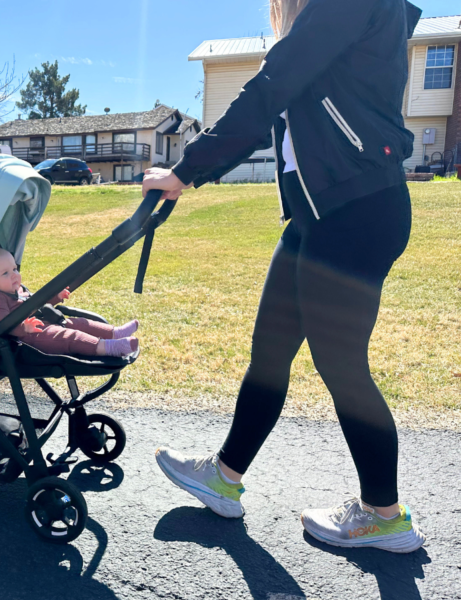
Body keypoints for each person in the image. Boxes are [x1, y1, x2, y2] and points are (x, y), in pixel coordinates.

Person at [145, 0, 425, 553]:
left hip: (355, 208)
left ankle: (384, 514)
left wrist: (187, 169)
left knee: (340, 363)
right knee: (270, 350)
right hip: (315, 212)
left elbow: (272, 86)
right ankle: (224, 476)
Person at [0, 247, 140, 357]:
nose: (14, 275)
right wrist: (23, 328)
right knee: (70, 337)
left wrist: (55, 298)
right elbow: (2, 323)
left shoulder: (13, 289)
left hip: (42, 324)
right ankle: (111, 348)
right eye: (5, 273)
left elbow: (35, 303)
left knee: (77, 323)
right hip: (29, 338)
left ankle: (115, 333)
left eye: (15, 269)